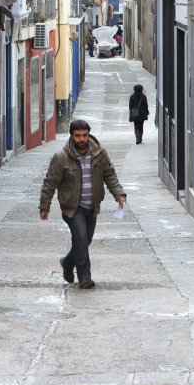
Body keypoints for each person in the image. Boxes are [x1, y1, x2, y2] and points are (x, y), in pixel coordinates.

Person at [39, 119, 126, 289]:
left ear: (88, 135)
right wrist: (44, 207)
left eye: (84, 135)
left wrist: (119, 194)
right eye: (77, 136)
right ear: (71, 136)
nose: (81, 139)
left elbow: (110, 175)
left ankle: (67, 262)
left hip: (92, 206)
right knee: (80, 239)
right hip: (72, 208)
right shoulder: (61, 158)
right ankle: (85, 277)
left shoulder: (100, 154)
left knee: (85, 241)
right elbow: (50, 183)